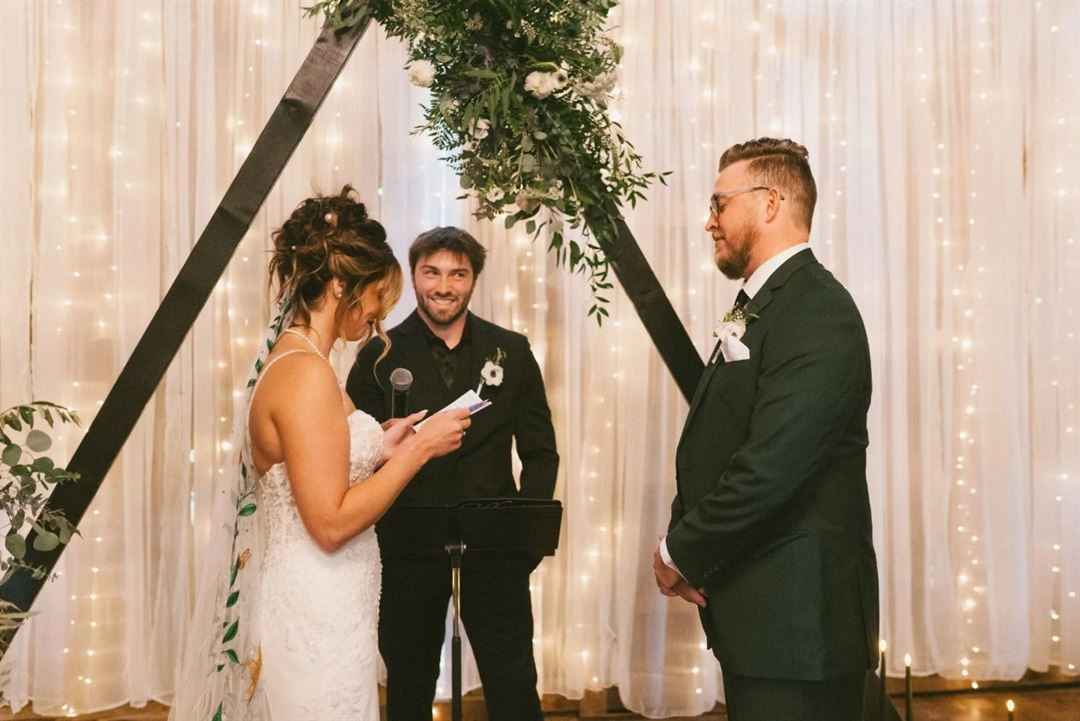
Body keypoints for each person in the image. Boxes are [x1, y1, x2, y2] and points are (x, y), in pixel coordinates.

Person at [170, 187, 471, 721]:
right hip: (314, 610)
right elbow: (329, 524)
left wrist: (383, 442)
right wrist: (420, 450)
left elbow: (321, 458)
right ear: (340, 286)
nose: (379, 316)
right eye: (376, 296)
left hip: (336, 604)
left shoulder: (305, 359)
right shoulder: (306, 374)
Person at [654, 138, 879, 721]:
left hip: (800, 626)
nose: (709, 222)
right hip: (765, 618)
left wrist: (680, 550)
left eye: (719, 204)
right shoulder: (764, 303)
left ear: (770, 202)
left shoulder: (817, 309)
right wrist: (685, 532)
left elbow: (773, 467)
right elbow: (721, 436)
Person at [347, 226, 558, 721]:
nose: (444, 286)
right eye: (432, 272)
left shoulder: (511, 350)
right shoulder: (377, 355)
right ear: (414, 275)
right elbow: (356, 453)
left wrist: (523, 540)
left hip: (494, 546)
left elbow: (540, 452)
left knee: (513, 684)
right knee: (409, 685)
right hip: (407, 548)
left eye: (457, 274)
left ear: (474, 279)